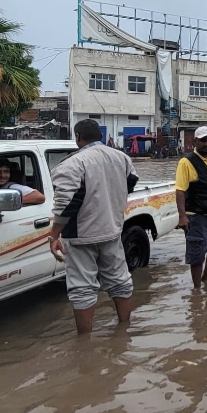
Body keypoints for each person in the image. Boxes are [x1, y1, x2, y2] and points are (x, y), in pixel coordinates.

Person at [47, 119, 140, 334]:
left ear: (78, 137)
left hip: (81, 236)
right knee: (120, 281)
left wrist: (54, 236)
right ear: (100, 136)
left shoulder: (72, 163)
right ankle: (124, 331)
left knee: (82, 288)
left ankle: (84, 341)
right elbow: (131, 183)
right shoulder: (122, 158)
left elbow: (65, 205)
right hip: (112, 230)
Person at [175, 127, 207, 290]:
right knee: (197, 254)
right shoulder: (186, 162)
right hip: (196, 216)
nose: (206, 144)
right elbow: (180, 191)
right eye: (203, 140)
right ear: (194, 142)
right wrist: (182, 216)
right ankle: (197, 290)